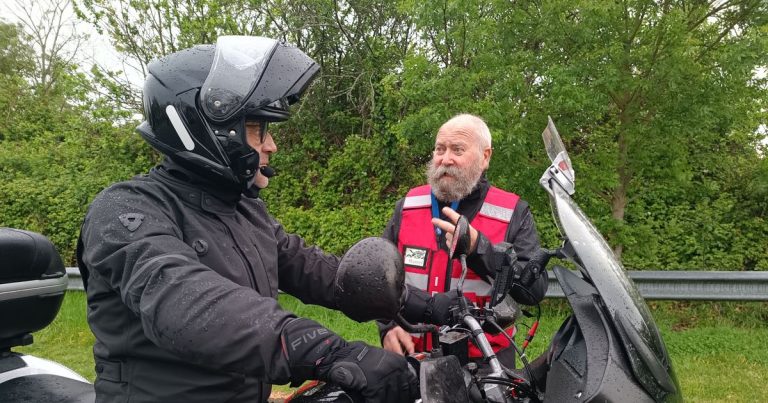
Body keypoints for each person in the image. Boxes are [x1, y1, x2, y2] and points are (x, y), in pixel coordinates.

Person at [76, 36, 426, 403]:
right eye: (258, 129)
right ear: (206, 128)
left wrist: (424, 304)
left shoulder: (242, 209)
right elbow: (185, 302)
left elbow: (315, 270)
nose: (271, 145)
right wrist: (325, 351)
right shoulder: (125, 209)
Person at [379, 114, 549, 365]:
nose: (445, 159)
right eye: (440, 149)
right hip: (411, 358)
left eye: (457, 150)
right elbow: (379, 276)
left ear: (485, 157)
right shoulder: (408, 206)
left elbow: (533, 290)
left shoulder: (512, 211)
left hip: (486, 365)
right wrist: (388, 327)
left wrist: (477, 248)